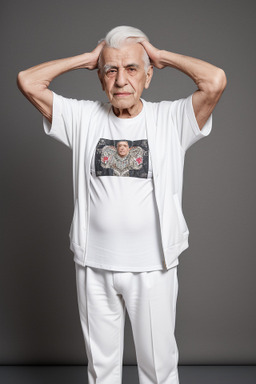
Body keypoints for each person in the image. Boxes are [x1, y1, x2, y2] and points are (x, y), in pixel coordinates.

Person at [17, 26, 226, 384]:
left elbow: (215, 81)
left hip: (153, 268)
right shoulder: (82, 118)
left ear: (148, 76)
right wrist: (88, 59)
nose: (121, 81)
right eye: (111, 71)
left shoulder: (171, 120)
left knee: (159, 369)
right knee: (101, 371)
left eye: (132, 69)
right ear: (100, 79)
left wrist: (161, 56)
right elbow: (28, 81)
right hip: (93, 265)